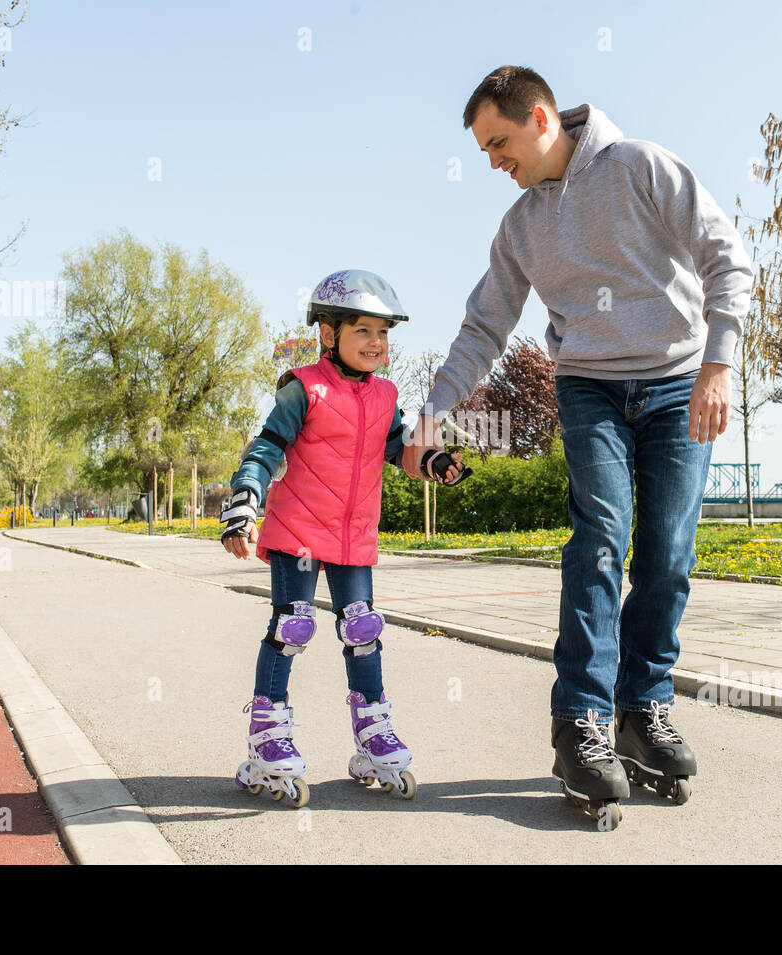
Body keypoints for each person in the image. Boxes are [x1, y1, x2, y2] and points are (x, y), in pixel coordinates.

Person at [404, 66, 752, 830]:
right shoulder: (522, 225)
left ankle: (644, 710)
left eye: (498, 143)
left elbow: (727, 255)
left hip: (678, 380)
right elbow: (482, 328)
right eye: (485, 151)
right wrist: (429, 412)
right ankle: (581, 722)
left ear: (539, 118)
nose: (495, 162)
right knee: (600, 537)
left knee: (668, 552)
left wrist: (720, 363)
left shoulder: (641, 167)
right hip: (589, 384)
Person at [222, 268, 464, 808]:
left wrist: (434, 461)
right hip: (301, 533)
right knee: (294, 627)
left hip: (353, 537)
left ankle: (374, 734)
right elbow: (266, 449)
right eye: (363, 332)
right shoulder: (304, 387)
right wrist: (244, 503)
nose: (377, 344)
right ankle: (267, 738)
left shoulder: (385, 395)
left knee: (364, 631)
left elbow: (398, 448)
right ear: (328, 334)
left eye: (383, 334)